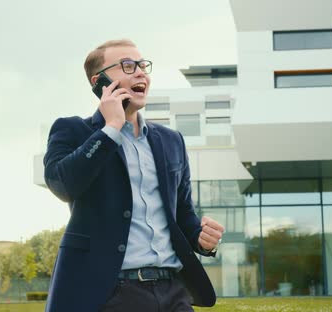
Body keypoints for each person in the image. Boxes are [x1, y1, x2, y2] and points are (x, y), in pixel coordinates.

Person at [43, 39, 224, 312]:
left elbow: (183, 215)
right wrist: (112, 128)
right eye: (128, 66)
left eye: (142, 65)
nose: (140, 72)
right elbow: (63, 185)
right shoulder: (73, 131)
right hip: (112, 292)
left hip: (173, 291)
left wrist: (202, 237)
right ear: (99, 81)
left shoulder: (172, 141)